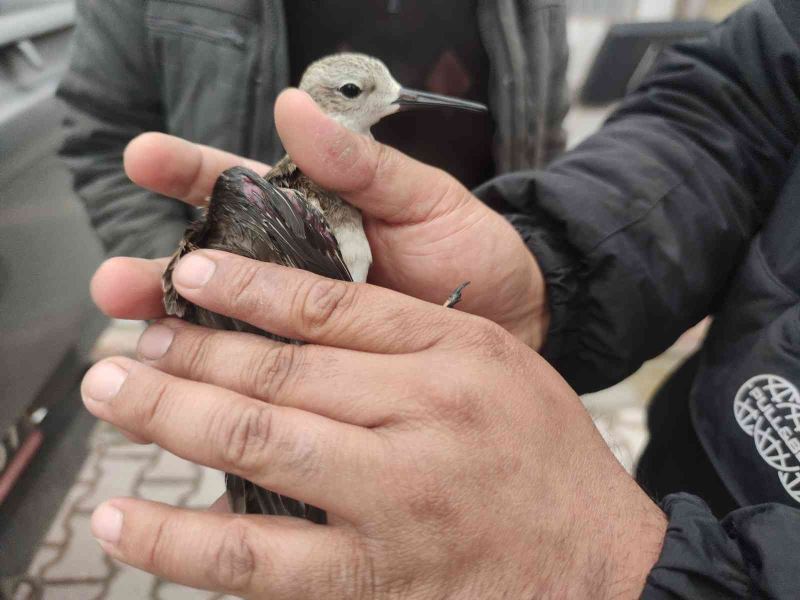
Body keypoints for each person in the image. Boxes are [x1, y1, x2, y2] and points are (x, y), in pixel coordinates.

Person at [77, 0, 800, 597]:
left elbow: (541, 117)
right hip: (684, 472)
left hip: (674, 512)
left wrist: (627, 570)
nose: (403, 104)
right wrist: (541, 265)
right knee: (293, 505)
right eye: (363, 93)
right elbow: (738, 102)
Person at [57, 0, 569, 260]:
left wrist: (536, 280)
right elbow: (105, 136)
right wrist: (209, 293)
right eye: (351, 92)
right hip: (276, 319)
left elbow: (545, 128)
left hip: (484, 305)